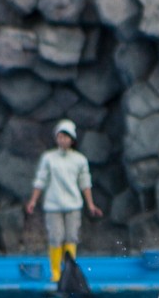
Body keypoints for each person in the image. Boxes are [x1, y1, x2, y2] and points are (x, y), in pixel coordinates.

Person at [23, 118, 101, 284]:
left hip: (73, 205)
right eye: (60, 136)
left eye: (66, 137)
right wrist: (33, 201)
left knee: (71, 237)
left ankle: (70, 271)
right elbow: (40, 180)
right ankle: (56, 272)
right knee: (55, 237)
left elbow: (85, 183)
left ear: (72, 139)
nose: (63, 140)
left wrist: (91, 204)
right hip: (53, 205)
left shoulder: (79, 160)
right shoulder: (49, 158)